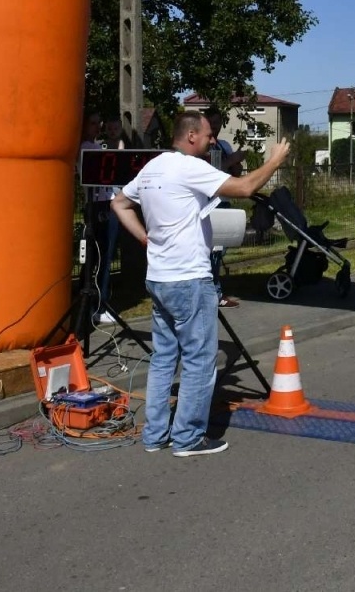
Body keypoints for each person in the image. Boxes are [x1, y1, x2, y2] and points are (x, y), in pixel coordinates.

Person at [111, 114, 290, 457]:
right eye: (208, 136)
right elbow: (245, 188)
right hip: (189, 280)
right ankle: (188, 438)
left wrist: (144, 237)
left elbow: (119, 202)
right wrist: (275, 160)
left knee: (164, 359)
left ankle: (155, 435)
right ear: (191, 135)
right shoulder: (188, 167)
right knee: (198, 361)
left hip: (159, 279)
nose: (212, 141)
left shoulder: (152, 168)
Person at [78, 113, 120, 323]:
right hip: (96, 205)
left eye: (99, 124)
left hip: (108, 202)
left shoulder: (101, 146)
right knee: (96, 257)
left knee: (106, 256)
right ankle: (94, 305)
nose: (97, 127)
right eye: (92, 123)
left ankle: (99, 304)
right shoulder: (87, 148)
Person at [204, 108, 246, 308]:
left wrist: (237, 162)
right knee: (212, 251)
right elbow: (211, 174)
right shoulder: (203, 148)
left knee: (220, 250)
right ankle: (214, 293)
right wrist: (231, 160)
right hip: (210, 202)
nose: (215, 126)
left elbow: (234, 174)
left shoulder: (224, 145)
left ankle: (214, 290)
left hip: (225, 200)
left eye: (218, 122)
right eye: (211, 122)